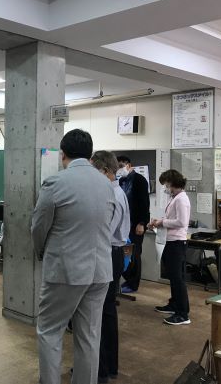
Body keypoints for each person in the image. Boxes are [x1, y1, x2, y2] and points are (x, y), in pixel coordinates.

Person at [31, 129, 115, 384]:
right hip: (100, 271)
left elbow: (39, 227)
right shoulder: (107, 184)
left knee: (50, 331)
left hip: (66, 271)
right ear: (90, 154)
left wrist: (41, 252)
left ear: (63, 154)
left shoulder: (55, 183)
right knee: (89, 336)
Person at [91, 151, 130, 383]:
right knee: (106, 312)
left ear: (105, 171)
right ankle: (107, 366)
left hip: (109, 253)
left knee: (102, 313)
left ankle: (101, 369)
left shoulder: (113, 195)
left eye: (94, 171)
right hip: (112, 253)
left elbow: (105, 231)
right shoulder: (116, 192)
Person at [149, 169, 191, 326]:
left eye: (166, 184)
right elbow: (171, 218)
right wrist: (159, 221)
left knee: (178, 279)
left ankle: (183, 314)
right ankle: (174, 304)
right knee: (173, 277)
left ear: (173, 183)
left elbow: (182, 222)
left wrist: (162, 222)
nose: (166, 188)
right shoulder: (175, 198)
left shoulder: (181, 199)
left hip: (177, 243)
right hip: (170, 241)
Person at [117, 155, 150, 294]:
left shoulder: (139, 180)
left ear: (129, 165)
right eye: (117, 166)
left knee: (134, 254)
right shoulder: (121, 180)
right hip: (123, 224)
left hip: (136, 224)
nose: (119, 169)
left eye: (121, 166)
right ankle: (127, 280)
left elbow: (144, 203)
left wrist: (142, 223)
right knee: (125, 253)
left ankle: (133, 283)